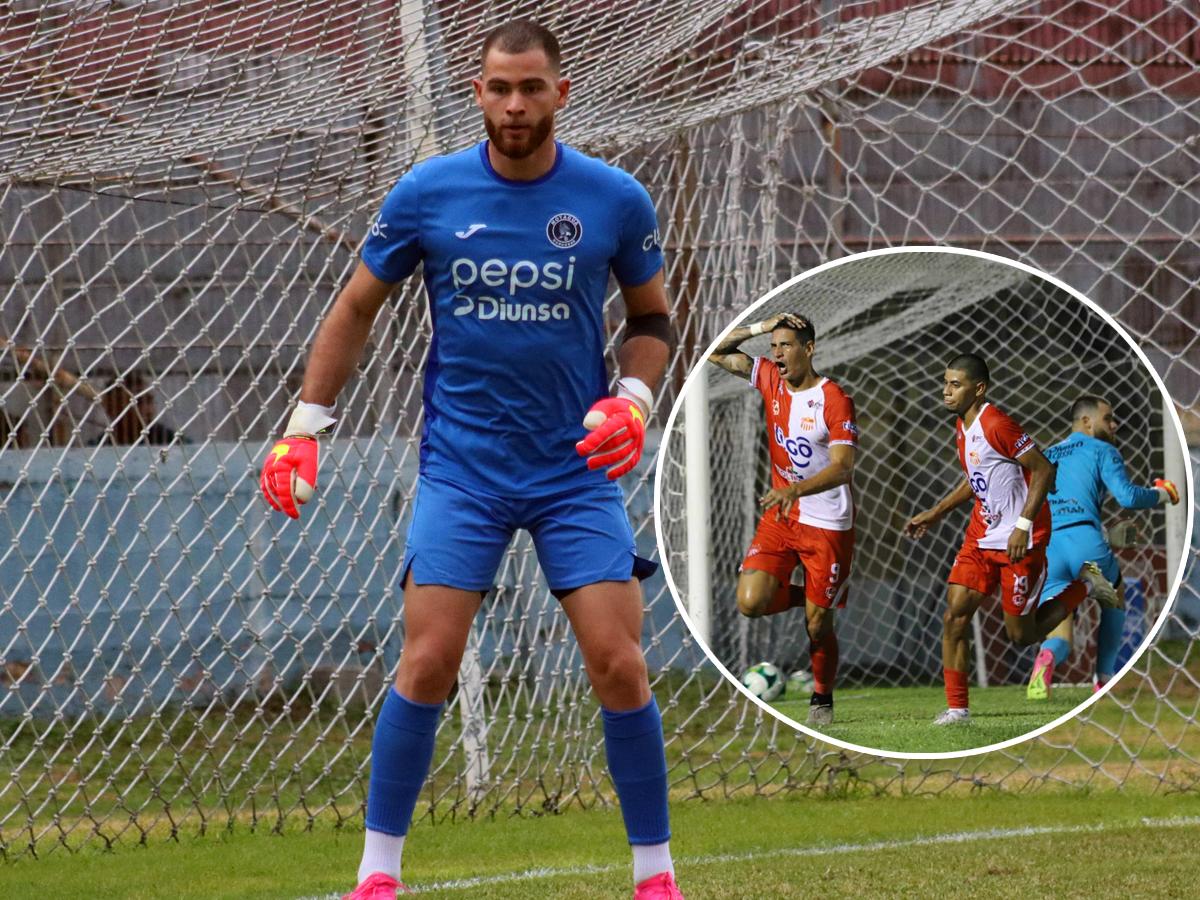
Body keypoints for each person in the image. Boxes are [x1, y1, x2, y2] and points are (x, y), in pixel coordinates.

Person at [259, 21, 682, 900]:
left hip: (575, 471)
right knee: (427, 662)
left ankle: (656, 878)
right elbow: (353, 308)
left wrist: (634, 401)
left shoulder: (614, 199)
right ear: (478, 93)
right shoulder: (428, 193)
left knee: (620, 662)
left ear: (561, 93)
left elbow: (651, 324)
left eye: (531, 88)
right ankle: (378, 879)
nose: (515, 104)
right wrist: (304, 425)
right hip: (464, 470)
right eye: (499, 87)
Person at [904, 353, 1121, 725]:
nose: (946, 391)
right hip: (981, 537)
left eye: (955, 385)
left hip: (1022, 540)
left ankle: (1085, 586)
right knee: (954, 616)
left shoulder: (996, 423)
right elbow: (977, 479)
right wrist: (937, 512)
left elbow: (1044, 468)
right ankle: (958, 710)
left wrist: (1022, 524)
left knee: (1022, 635)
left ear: (979, 389)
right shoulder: (963, 426)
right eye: (945, 383)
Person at [707, 312, 857, 726]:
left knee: (817, 626)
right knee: (750, 602)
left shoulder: (834, 399)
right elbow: (715, 351)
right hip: (781, 515)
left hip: (827, 523)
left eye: (785, 345)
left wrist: (795, 488)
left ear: (808, 349)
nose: (777, 354)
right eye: (773, 347)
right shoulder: (770, 378)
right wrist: (761, 326)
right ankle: (816, 599)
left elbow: (843, 467)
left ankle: (822, 699)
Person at [1025, 395, 1179, 700]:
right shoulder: (1102, 450)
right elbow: (1129, 498)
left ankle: (1045, 660)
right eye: (1108, 418)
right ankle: (1104, 677)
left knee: (1060, 631)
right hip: (1086, 543)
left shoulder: (1048, 455)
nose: (1114, 424)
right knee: (1115, 600)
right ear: (1086, 421)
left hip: (1050, 549)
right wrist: (1163, 493)